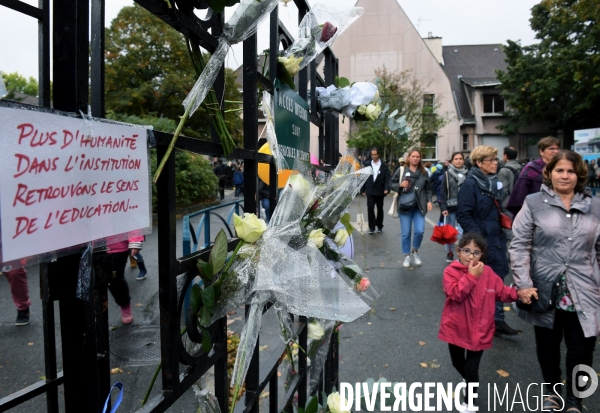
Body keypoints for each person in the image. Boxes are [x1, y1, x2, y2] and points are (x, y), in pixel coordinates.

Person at [510, 150, 600, 413]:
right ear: (550, 173)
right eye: (560, 170)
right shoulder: (534, 202)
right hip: (544, 289)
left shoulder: (595, 206)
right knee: (548, 346)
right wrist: (523, 283)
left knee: (582, 349)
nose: (565, 175)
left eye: (571, 171)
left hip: (585, 290)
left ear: (579, 175)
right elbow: (519, 244)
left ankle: (575, 399)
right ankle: (553, 392)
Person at [438, 233, 519, 412]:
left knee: (472, 368)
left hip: (480, 331)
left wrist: (518, 294)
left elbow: (502, 292)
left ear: (482, 255)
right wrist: (471, 276)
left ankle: (470, 401)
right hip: (456, 329)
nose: (471, 256)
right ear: (458, 253)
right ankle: (468, 380)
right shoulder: (450, 271)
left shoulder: (488, 272)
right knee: (458, 363)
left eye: (476, 252)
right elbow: (456, 294)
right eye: (466, 251)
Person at [456, 145, 521, 336]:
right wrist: (479, 241)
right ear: (479, 163)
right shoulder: (470, 184)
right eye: (491, 160)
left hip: (496, 238)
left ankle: (497, 321)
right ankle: (480, 321)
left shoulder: (492, 182)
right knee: (482, 282)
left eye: (496, 159)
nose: (496, 163)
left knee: (498, 278)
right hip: (482, 242)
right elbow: (464, 215)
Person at [390, 148, 433, 268]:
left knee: (420, 230)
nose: (415, 158)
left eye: (417, 157)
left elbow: (428, 189)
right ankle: (406, 256)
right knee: (406, 232)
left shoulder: (424, 172)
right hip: (405, 206)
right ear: (408, 158)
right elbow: (391, 184)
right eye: (413, 156)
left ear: (420, 158)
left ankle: (415, 251)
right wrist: (400, 185)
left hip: (419, 206)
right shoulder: (402, 169)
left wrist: (429, 201)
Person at [506, 136, 560, 217]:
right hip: (537, 213)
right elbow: (519, 196)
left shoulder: (563, 168)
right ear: (541, 151)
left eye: (557, 148)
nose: (555, 151)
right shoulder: (531, 169)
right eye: (551, 149)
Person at [107, 236, 145, 324]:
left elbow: (131, 222)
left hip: (116, 245)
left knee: (115, 280)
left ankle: (125, 306)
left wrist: (135, 241)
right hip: (87, 245)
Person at [439, 152, 468, 262]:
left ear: (464, 160)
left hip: (464, 207)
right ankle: (450, 252)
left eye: (460, 158)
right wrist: (443, 207)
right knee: (450, 232)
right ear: (452, 161)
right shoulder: (447, 174)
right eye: (456, 159)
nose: (458, 161)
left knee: (462, 232)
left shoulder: (468, 173)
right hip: (450, 207)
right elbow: (443, 192)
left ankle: (462, 253)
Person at [361, 148, 391, 234]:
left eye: (375, 154)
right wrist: (363, 189)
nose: (373, 156)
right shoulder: (367, 164)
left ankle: (379, 225)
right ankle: (371, 227)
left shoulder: (384, 166)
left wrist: (386, 188)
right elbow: (363, 177)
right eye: (372, 155)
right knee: (370, 208)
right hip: (370, 189)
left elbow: (387, 178)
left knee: (380, 208)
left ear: (378, 155)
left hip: (380, 190)